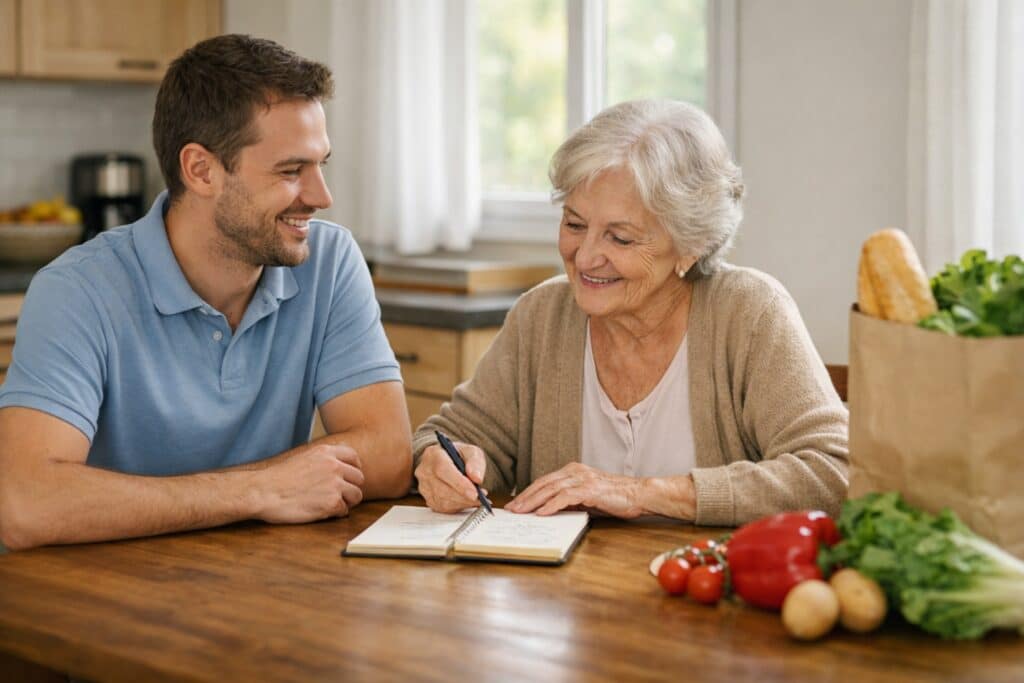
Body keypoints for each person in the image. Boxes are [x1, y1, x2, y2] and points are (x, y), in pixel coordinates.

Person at [0, 35, 412, 551]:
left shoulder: (329, 263)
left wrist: (249, 494)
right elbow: (26, 503)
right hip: (103, 594)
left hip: (254, 581)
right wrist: (258, 490)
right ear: (201, 170)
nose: (321, 196)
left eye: (320, 164)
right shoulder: (77, 290)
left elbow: (390, 455)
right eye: (291, 171)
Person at [413, 100, 848, 526]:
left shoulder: (750, 314)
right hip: (563, 593)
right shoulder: (542, 315)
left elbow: (834, 472)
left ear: (689, 246)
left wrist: (640, 493)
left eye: (620, 238)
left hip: (706, 587)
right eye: (574, 224)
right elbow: (447, 436)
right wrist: (447, 463)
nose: (584, 258)